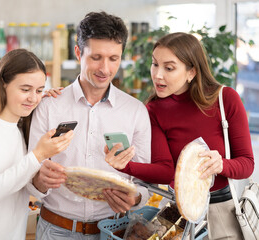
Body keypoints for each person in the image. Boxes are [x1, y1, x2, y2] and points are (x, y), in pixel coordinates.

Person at [107, 32, 254, 239]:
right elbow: (166, 171)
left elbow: (247, 164)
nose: (157, 75)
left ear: (191, 72)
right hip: (175, 212)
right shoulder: (154, 110)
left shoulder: (225, 99)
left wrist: (222, 164)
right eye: (154, 64)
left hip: (220, 211)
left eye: (169, 68)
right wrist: (125, 166)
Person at [28, 11, 152, 239]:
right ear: (78, 53)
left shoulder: (135, 111)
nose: (105, 68)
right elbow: (30, 174)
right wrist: (39, 181)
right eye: (96, 57)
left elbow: (144, 181)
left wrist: (134, 198)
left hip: (114, 231)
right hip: (56, 230)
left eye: (114, 58)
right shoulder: (49, 106)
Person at [0, 49, 74, 240]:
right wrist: (38, 155)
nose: (33, 98)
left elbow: (24, 185)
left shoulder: (23, 128)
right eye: (25, 90)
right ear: (3, 84)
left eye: (39, 90)